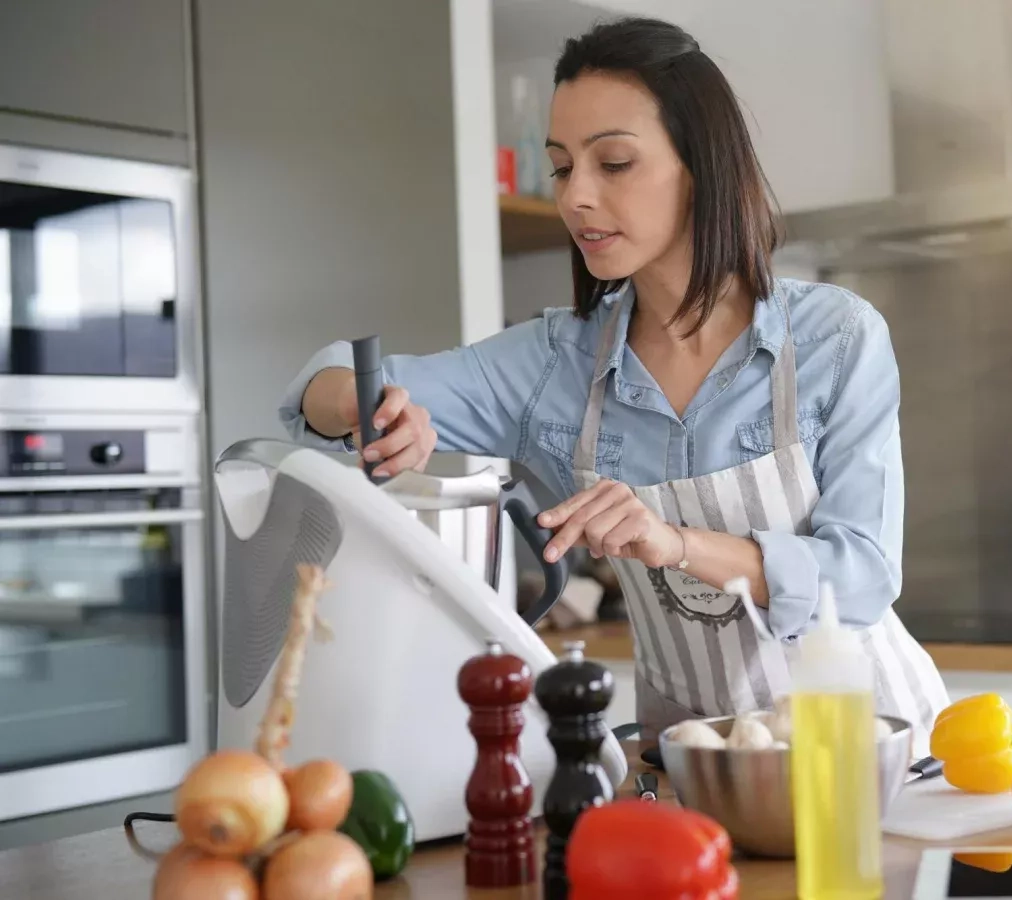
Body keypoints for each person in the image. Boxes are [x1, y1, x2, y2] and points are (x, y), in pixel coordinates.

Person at [278, 16, 949, 750]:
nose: (575, 198)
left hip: (867, 760)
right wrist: (360, 403)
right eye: (563, 168)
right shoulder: (552, 364)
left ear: (701, 164)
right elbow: (320, 383)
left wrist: (675, 543)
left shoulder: (835, 337)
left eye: (614, 163)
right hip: (694, 772)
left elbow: (859, 580)